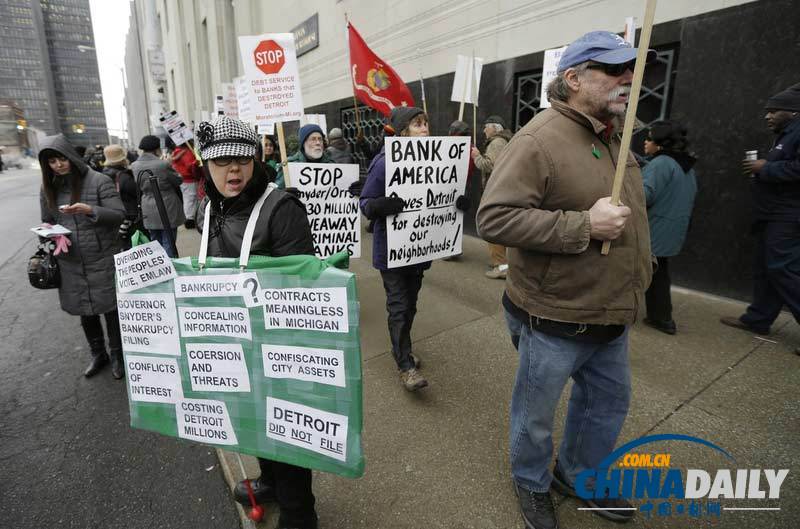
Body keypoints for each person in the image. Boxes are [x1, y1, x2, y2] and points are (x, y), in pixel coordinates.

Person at [477, 31, 654, 529]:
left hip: (610, 312)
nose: (627, 79)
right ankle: (531, 481)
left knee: (606, 404)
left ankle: (575, 475)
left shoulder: (615, 133)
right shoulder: (538, 139)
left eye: (631, 70)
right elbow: (493, 219)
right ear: (573, 79)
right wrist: (583, 225)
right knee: (535, 415)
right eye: (614, 69)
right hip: (554, 316)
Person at [193, 116, 318, 529]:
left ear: (256, 159)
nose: (234, 170)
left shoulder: (282, 208)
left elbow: (302, 289)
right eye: (222, 161)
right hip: (230, 337)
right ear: (205, 165)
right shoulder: (209, 209)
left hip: (277, 340)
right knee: (250, 417)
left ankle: (300, 512)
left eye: (243, 160)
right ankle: (271, 481)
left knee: (285, 425)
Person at [360, 107, 469, 391]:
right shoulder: (384, 163)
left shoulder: (438, 160)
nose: (424, 129)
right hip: (392, 252)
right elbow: (366, 202)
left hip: (418, 252)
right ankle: (404, 365)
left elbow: (445, 196)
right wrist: (380, 206)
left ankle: (403, 348)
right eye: (417, 124)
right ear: (402, 131)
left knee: (410, 305)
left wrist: (457, 205)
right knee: (398, 306)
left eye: (425, 123)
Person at [37, 134, 126, 379]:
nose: (58, 165)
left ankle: (118, 355)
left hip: (101, 255)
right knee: (85, 309)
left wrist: (90, 210)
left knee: (110, 308)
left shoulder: (98, 180)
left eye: (61, 159)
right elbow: (48, 220)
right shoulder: (48, 187)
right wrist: (47, 233)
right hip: (69, 259)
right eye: (52, 162)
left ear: (71, 156)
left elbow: (119, 214)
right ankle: (98, 354)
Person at [721, 83, 800, 349]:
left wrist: (765, 168)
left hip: (788, 214)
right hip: (773, 212)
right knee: (766, 269)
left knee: (783, 269)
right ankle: (758, 319)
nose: (767, 116)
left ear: (794, 112)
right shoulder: (785, 135)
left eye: (774, 111)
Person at [641, 120, 698, 335]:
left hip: (654, 229)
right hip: (670, 230)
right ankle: (661, 317)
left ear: (660, 143)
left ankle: (661, 318)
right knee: (658, 274)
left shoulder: (661, 163)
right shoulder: (685, 165)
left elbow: (644, 194)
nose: (645, 142)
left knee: (641, 272)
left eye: (649, 138)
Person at [472, 115, 513, 279]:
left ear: (495, 128)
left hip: (496, 191)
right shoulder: (504, 141)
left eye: (486, 126)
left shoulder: (497, 143)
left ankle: (501, 266)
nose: (483, 130)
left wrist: (476, 156)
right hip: (502, 190)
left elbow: (489, 165)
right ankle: (503, 262)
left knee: (491, 226)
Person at [130, 135, 185, 257]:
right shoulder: (162, 164)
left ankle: (159, 267)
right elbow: (178, 180)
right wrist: (172, 165)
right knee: (169, 241)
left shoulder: (134, 165)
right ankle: (170, 268)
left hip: (147, 204)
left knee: (154, 242)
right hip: (166, 204)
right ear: (156, 149)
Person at [102, 144, 141, 250]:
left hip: (116, 219)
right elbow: (138, 194)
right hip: (130, 218)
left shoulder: (104, 174)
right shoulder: (124, 177)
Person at [275, 124, 333, 189]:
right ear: (303, 143)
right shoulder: (289, 166)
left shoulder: (331, 165)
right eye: (313, 139)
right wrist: (285, 193)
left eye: (320, 139)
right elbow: (276, 192)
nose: (318, 143)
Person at [169, 138, 200, 229]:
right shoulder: (187, 152)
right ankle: (190, 219)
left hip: (183, 178)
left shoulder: (177, 152)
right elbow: (190, 166)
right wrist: (196, 163)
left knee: (188, 198)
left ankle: (189, 217)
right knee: (190, 199)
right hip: (189, 178)